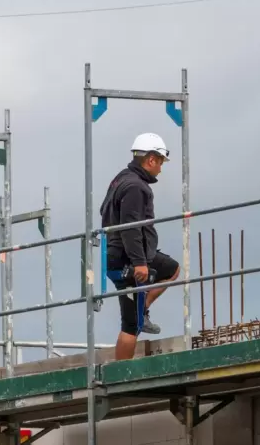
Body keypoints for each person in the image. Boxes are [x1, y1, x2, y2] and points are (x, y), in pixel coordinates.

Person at [99, 133, 180, 360]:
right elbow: (131, 227)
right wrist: (140, 263)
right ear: (151, 159)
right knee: (130, 325)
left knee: (171, 269)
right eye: (161, 162)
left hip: (117, 254)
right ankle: (120, 376)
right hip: (127, 259)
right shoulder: (136, 187)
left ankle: (142, 309)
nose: (161, 169)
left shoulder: (121, 179)